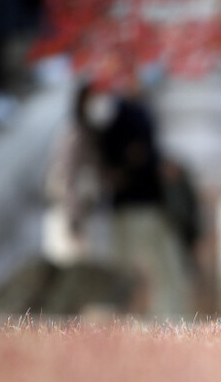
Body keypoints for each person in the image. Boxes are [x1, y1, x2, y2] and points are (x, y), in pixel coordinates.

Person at [46, 80, 191, 316]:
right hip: (89, 214)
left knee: (118, 276)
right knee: (88, 277)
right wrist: (74, 213)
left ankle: (133, 320)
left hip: (100, 212)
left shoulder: (99, 127)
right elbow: (65, 177)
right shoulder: (85, 129)